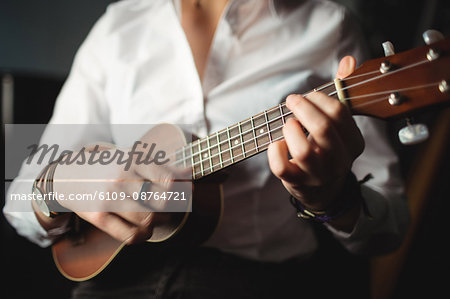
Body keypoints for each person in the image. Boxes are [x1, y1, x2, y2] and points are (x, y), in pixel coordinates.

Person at [4, 0, 409, 297]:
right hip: (112, 281)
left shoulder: (328, 24)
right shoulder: (118, 26)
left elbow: (388, 225)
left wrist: (332, 197)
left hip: (255, 282)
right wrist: (58, 184)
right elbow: (19, 195)